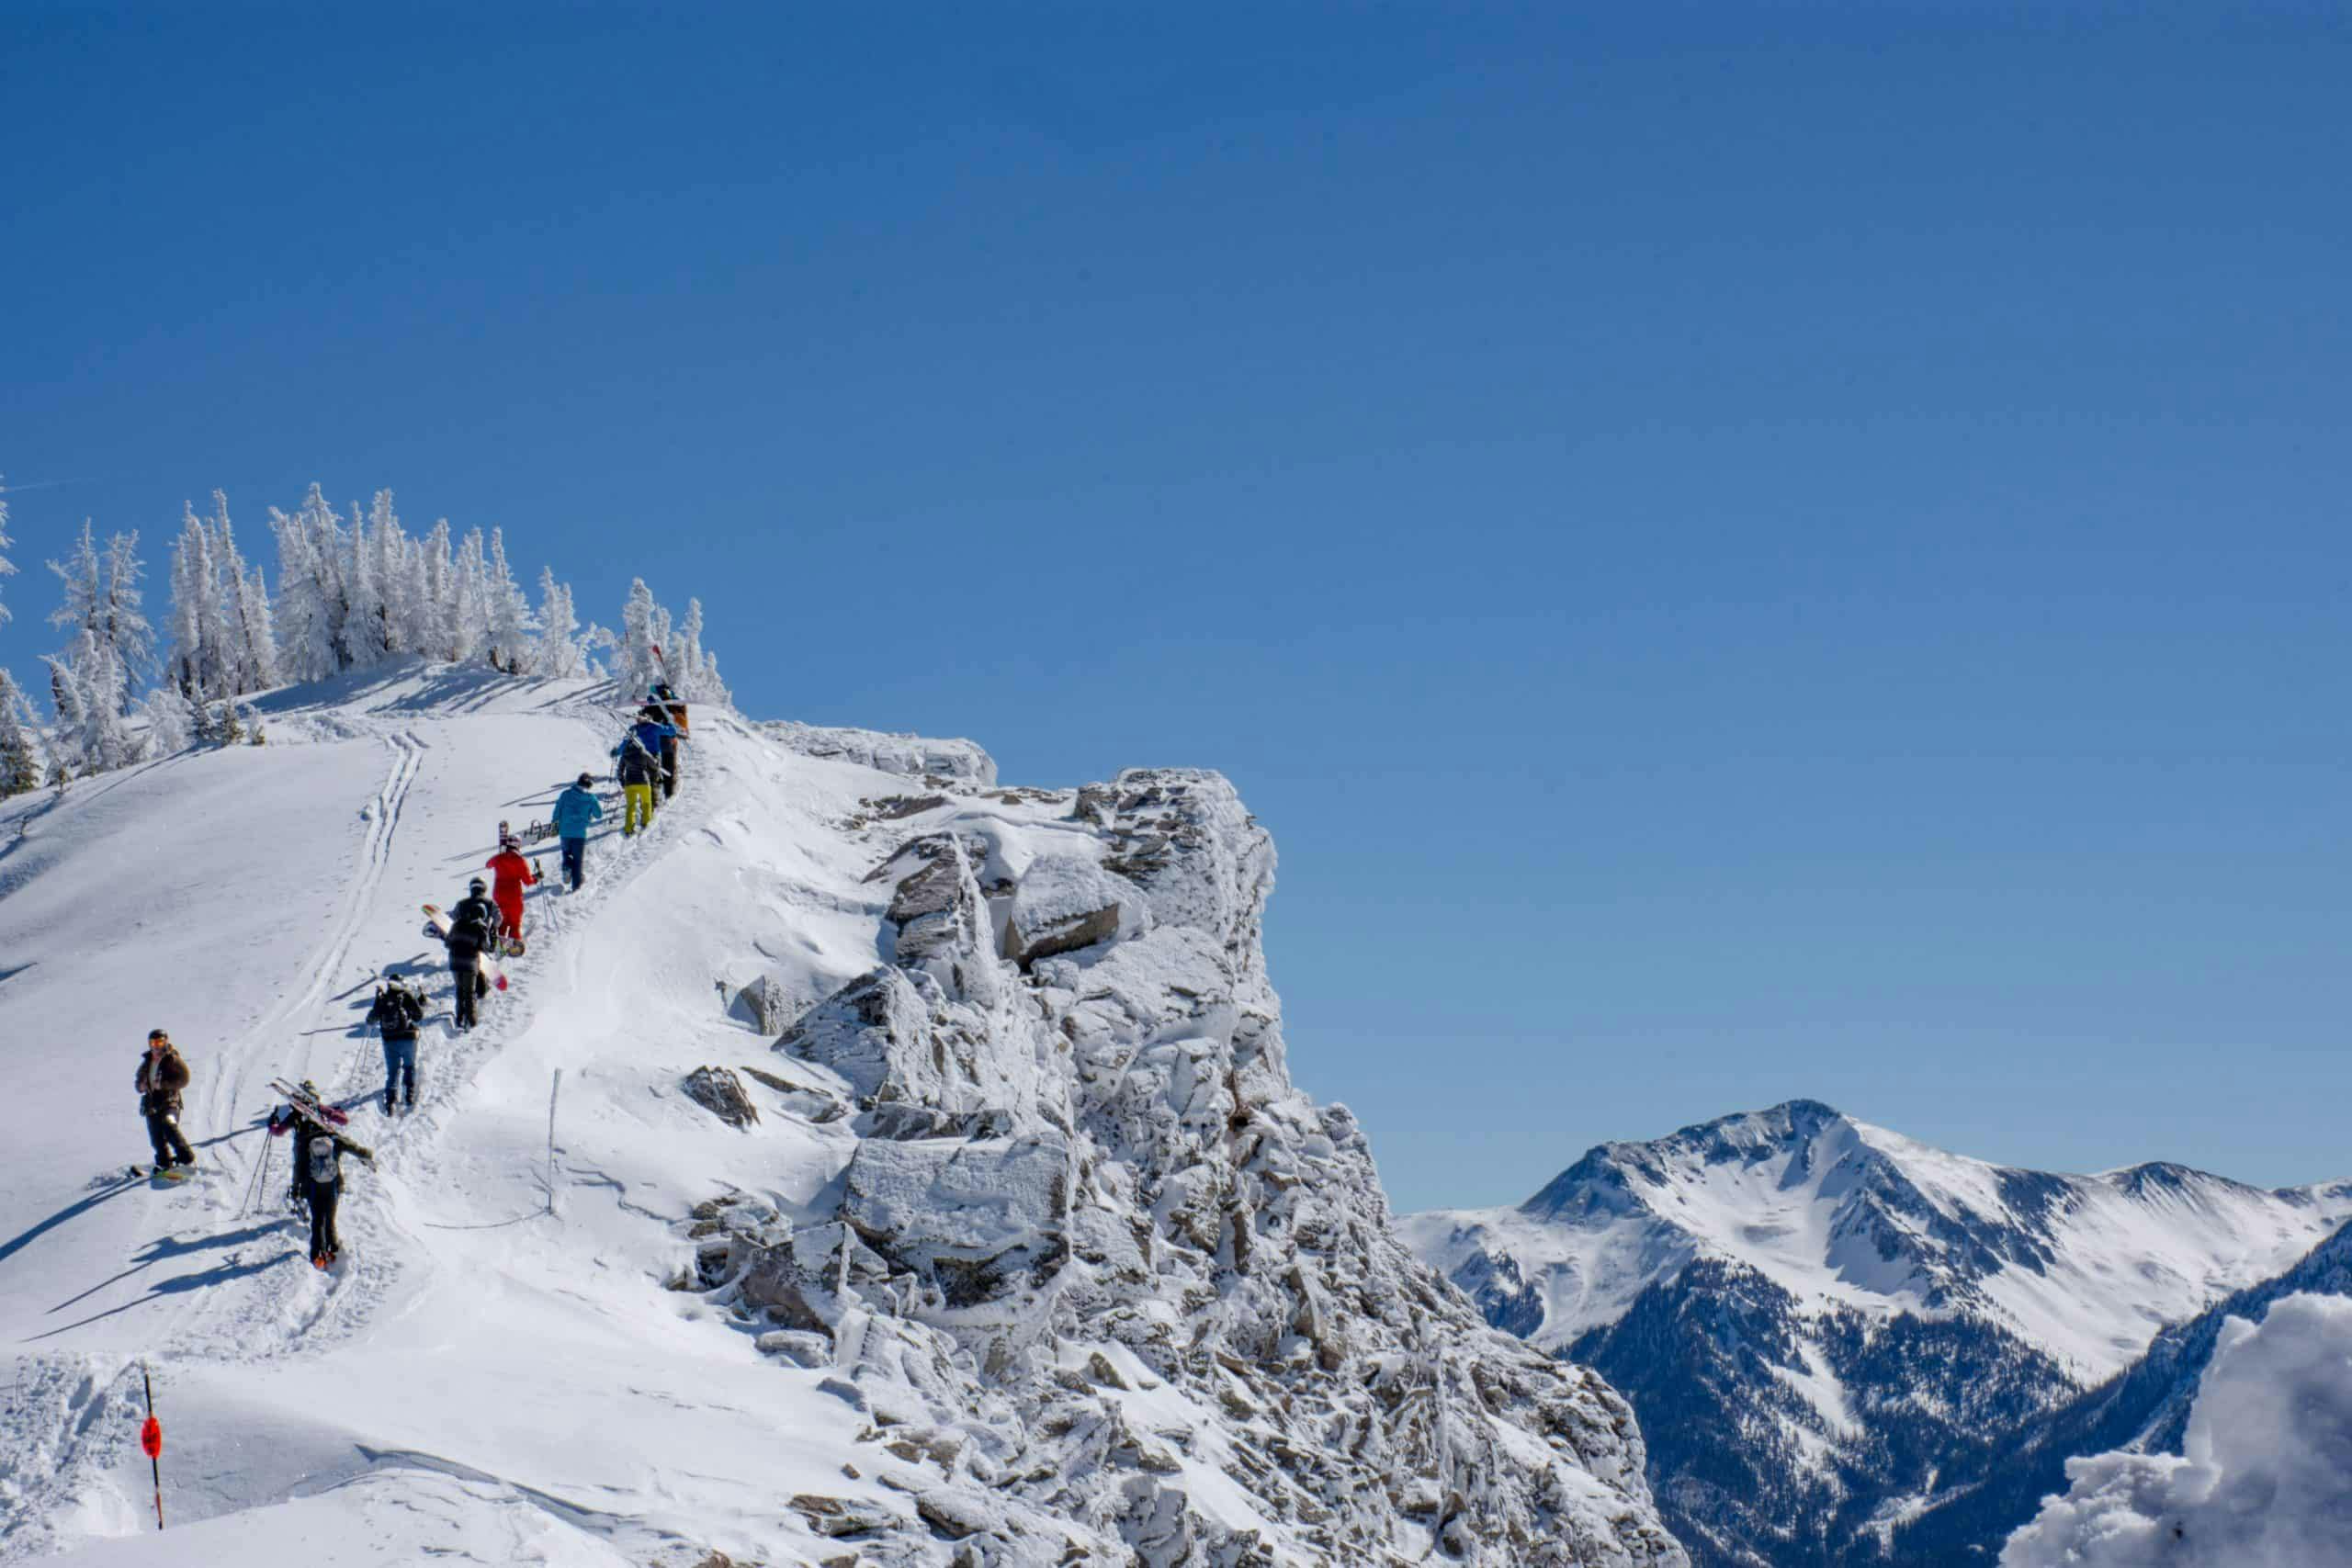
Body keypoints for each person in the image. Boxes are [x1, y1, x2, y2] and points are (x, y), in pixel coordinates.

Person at [270, 1101, 372, 1269]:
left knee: (318, 1220)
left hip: (312, 1186)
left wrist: (297, 1190)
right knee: (330, 1218)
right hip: (333, 1184)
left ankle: (317, 1256)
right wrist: (367, 1155)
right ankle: (333, 1249)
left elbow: (298, 1169)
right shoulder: (333, 1138)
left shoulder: (304, 1144)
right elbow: (353, 1146)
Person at [267, 1080, 346, 1210]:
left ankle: (297, 1193)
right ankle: (339, 1183)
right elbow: (343, 1121)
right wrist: (338, 1112)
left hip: (302, 1147)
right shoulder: (321, 1110)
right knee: (331, 1155)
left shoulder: (296, 1114)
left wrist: (272, 1122)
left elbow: (278, 1131)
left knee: (299, 1165)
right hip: (326, 1145)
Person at [133, 1029, 196, 1174]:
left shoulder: (172, 1059)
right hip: (151, 1104)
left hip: (169, 1101)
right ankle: (164, 1163)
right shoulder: (147, 1062)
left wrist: (163, 1085)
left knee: (168, 1124)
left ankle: (186, 1157)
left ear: (166, 1042)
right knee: (156, 1137)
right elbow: (138, 1082)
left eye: (160, 1042)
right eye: (153, 1042)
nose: (156, 1046)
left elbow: (184, 1079)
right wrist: (141, 1086)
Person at [444, 879, 499, 1031]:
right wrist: (491, 931)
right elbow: (497, 921)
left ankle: (459, 1018)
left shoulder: (460, 910)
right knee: (470, 992)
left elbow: (448, 939)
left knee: (459, 990)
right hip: (471, 961)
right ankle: (472, 1021)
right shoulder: (489, 905)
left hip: (454, 961)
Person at [367, 975, 426, 1114]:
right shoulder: (407, 996)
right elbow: (419, 1016)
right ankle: (409, 1094)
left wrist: (377, 1001)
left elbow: (371, 1019)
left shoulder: (383, 999)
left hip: (389, 1040)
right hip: (408, 1038)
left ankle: (391, 1101)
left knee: (393, 1071)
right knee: (409, 1066)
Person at [484, 835, 538, 952]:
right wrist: (536, 878)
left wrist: (499, 857)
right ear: (518, 845)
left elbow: (488, 865)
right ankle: (514, 948)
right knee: (514, 924)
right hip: (514, 896)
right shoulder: (520, 860)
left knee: (501, 923)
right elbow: (528, 881)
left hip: (499, 895)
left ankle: (500, 949)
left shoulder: (499, 857)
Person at [552, 771, 604, 891]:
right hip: (579, 834)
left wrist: (554, 825)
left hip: (564, 832)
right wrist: (591, 809)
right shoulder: (590, 798)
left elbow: (557, 811)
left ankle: (566, 868)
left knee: (566, 853)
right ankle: (576, 885)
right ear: (589, 785)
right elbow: (599, 815)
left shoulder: (565, 794)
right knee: (577, 859)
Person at [614, 732, 662, 836]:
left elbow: (619, 771)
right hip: (643, 782)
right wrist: (656, 766)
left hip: (629, 784)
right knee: (646, 803)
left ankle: (628, 828)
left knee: (630, 806)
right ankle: (646, 823)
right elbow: (654, 766)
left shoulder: (625, 755)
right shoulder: (644, 753)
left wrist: (623, 783)